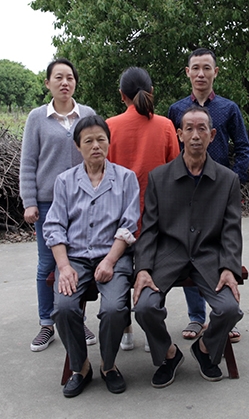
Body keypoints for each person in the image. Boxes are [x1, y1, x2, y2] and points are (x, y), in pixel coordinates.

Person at [133, 105, 244, 387]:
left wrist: (230, 267)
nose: (196, 135)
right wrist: (143, 268)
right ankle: (169, 355)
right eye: (189, 129)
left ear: (213, 135)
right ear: (179, 134)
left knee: (229, 309)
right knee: (145, 307)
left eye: (202, 129)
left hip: (208, 256)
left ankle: (205, 348)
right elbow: (149, 229)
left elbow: (231, 230)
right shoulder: (160, 177)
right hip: (168, 256)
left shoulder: (228, 180)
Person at [43, 115, 140, 397]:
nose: (96, 146)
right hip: (74, 257)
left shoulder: (125, 178)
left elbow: (129, 224)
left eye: (101, 139)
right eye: (89, 141)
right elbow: (54, 226)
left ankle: (108, 365)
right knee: (63, 307)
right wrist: (64, 266)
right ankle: (80, 367)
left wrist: (110, 261)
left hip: (113, 256)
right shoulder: (64, 182)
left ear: (109, 142)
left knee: (114, 309)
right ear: (78, 146)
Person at [167, 48, 249, 343]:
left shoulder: (229, 109)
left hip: (219, 193)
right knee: (189, 250)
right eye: (195, 68)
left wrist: (233, 182)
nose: (201, 74)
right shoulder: (177, 110)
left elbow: (243, 147)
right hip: (185, 194)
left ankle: (224, 316)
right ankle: (196, 315)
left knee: (220, 249)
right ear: (187, 72)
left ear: (216, 72)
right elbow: (170, 151)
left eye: (207, 68)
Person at [19, 59, 97, 352]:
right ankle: (46, 323)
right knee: (48, 263)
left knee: (78, 261)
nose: (65, 83)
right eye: (58, 78)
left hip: (82, 200)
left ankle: (76, 317)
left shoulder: (86, 114)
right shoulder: (37, 118)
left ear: (75, 82)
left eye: (70, 78)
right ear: (48, 83)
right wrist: (29, 201)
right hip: (47, 201)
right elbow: (28, 163)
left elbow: (98, 151)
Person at [106, 67, 180, 352]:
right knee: (154, 273)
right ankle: (153, 332)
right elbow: (175, 170)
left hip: (119, 220)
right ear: (151, 92)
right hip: (156, 219)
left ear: (122, 95)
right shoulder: (164, 126)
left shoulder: (109, 126)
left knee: (121, 276)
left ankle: (125, 332)